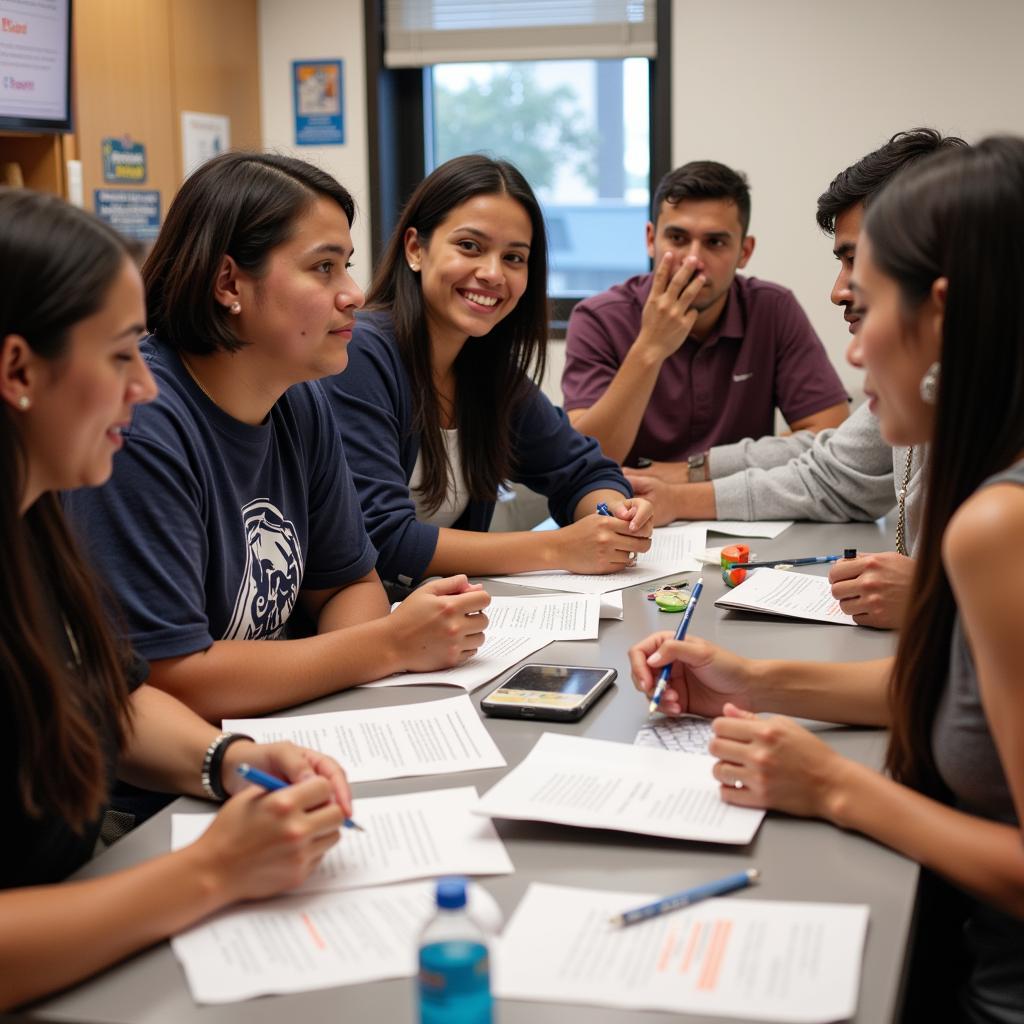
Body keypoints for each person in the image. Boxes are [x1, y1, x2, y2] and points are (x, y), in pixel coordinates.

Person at [630, 137, 1024, 1023]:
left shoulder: (1001, 524)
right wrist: (751, 681)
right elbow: (963, 697)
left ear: (943, 315)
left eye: (869, 296)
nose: (853, 348)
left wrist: (835, 787)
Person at [0, 188, 352, 1009]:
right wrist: (211, 871)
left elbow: (116, 697)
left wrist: (225, 761)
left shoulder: (34, 522)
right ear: (18, 370)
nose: (146, 389)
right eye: (121, 357)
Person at [63, 152, 490, 732]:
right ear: (228, 283)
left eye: (348, 266)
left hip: (283, 730)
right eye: (323, 268)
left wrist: (355, 697)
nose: (355, 294)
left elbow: (346, 582)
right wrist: (386, 646)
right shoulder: (140, 422)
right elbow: (170, 677)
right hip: (157, 791)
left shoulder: (298, 397)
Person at [627, 129, 967, 629]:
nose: (837, 292)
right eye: (678, 237)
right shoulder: (922, 381)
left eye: (856, 261)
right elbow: (831, 470)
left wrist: (935, 600)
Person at [322, 155, 652, 587]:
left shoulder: (488, 370)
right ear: (415, 249)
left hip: (447, 627)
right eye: (470, 247)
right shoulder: (361, 354)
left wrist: (613, 514)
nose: (493, 273)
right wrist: (559, 547)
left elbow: (587, 470)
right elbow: (382, 537)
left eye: (514, 257)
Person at [561, 160, 849, 468]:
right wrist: (649, 348)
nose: (694, 259)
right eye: (678, 238)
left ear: (745, 252)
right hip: (629, 510)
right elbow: (584, 461)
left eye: (715, 242)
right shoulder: (598, 319)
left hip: (737, 509)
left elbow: (830, 436)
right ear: (650, 239)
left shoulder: (772, 309)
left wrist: (691, 474)